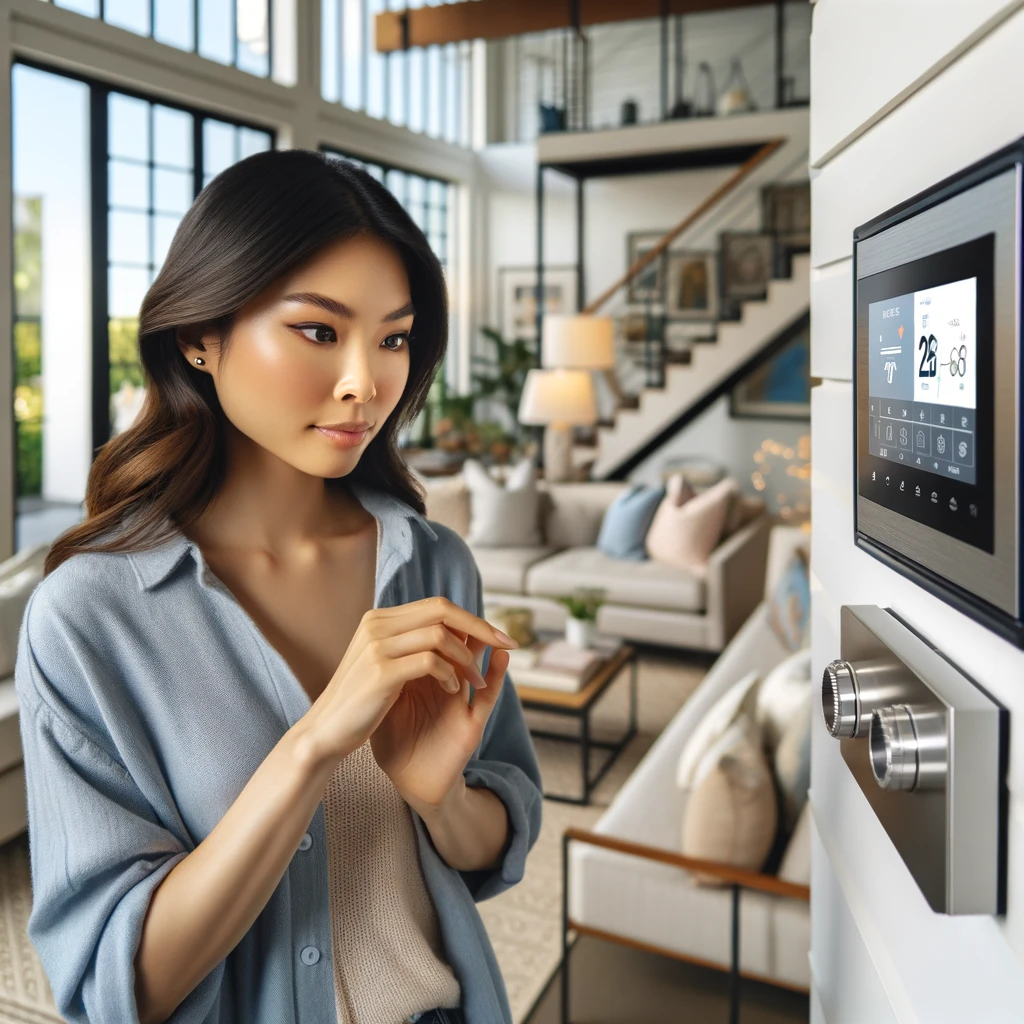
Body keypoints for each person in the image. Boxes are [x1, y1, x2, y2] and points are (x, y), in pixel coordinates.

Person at [15, 149, 543, 1024]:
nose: (364, 383)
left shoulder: (436, 564)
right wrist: (313, 747)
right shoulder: (89, 617)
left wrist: (439, 796)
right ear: (200, 337)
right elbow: (118, 989)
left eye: (394, 338)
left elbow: (495, 845)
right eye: (318, 330)